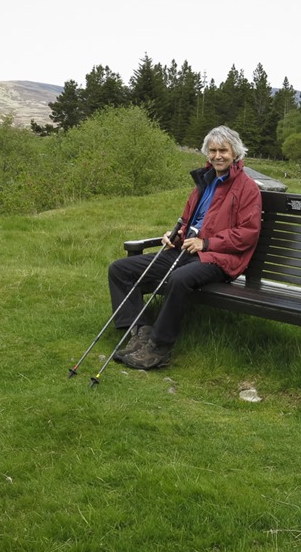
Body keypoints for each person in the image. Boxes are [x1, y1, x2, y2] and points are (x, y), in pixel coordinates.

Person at [107, 125, 262, 370]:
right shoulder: (204, 182)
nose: (218, 156)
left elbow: (247, 234)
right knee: (120, 269)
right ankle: (140, 332)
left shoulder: (247, 188)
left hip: (219, 258)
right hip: (186, 250)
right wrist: (175, 235)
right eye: (213, 150)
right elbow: (188, 221)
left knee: (178, 278)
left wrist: (206, 243)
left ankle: (159, 347)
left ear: (235, 153)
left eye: (223, 150)